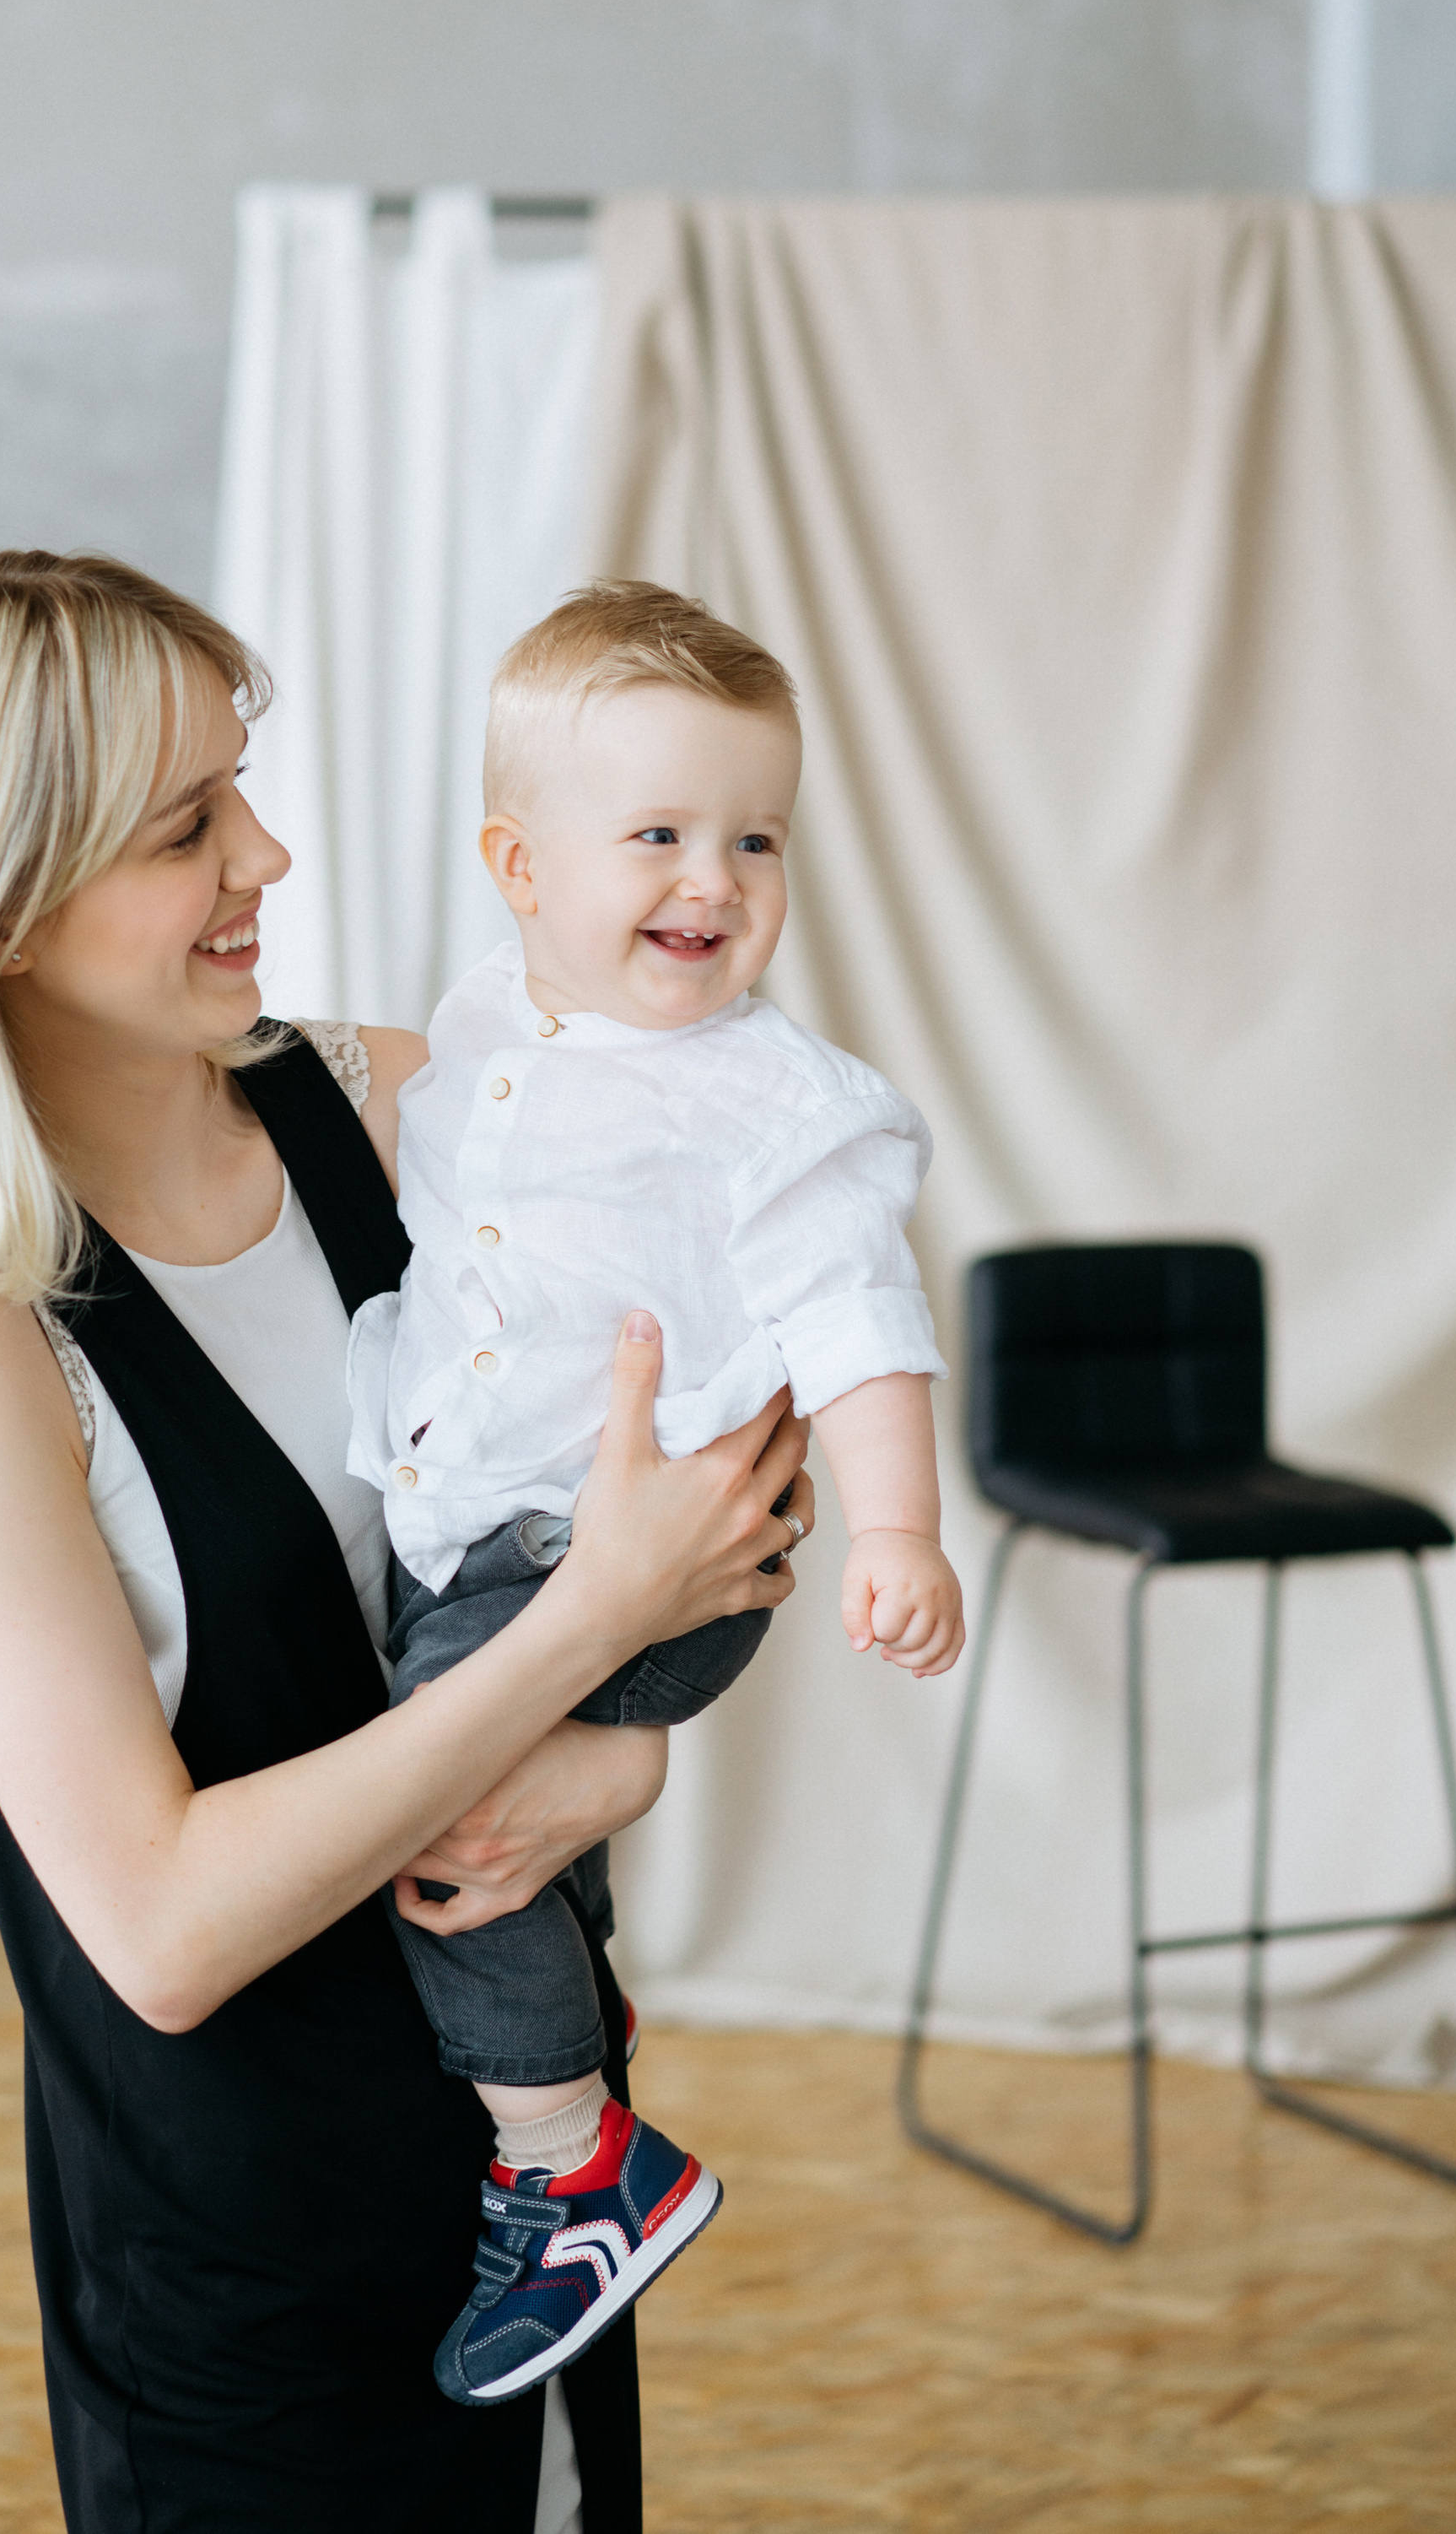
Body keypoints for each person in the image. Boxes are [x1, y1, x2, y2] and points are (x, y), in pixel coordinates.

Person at [0, 547, 815, 2534]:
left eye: (245, 791)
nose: (267, 856)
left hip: (540, 2191)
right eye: (185, 823)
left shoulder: (399, 1106)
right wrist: (585, 1635)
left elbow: (744, 1437)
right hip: (241, 2269)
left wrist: (621, 1748)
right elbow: (162, 1928)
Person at [347, 581, 965, 2407]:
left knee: (432, 1802)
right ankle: (570, 1969)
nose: (715, 878)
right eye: (660, 835)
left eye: (755, 838)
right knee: (452, 1786)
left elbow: (858, 1319)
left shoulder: (774, 1100)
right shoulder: (477, 1026)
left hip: (630, 1556)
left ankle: (571, 2166)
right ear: (516, 866)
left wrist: (899, 1527)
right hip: (475, 1534)